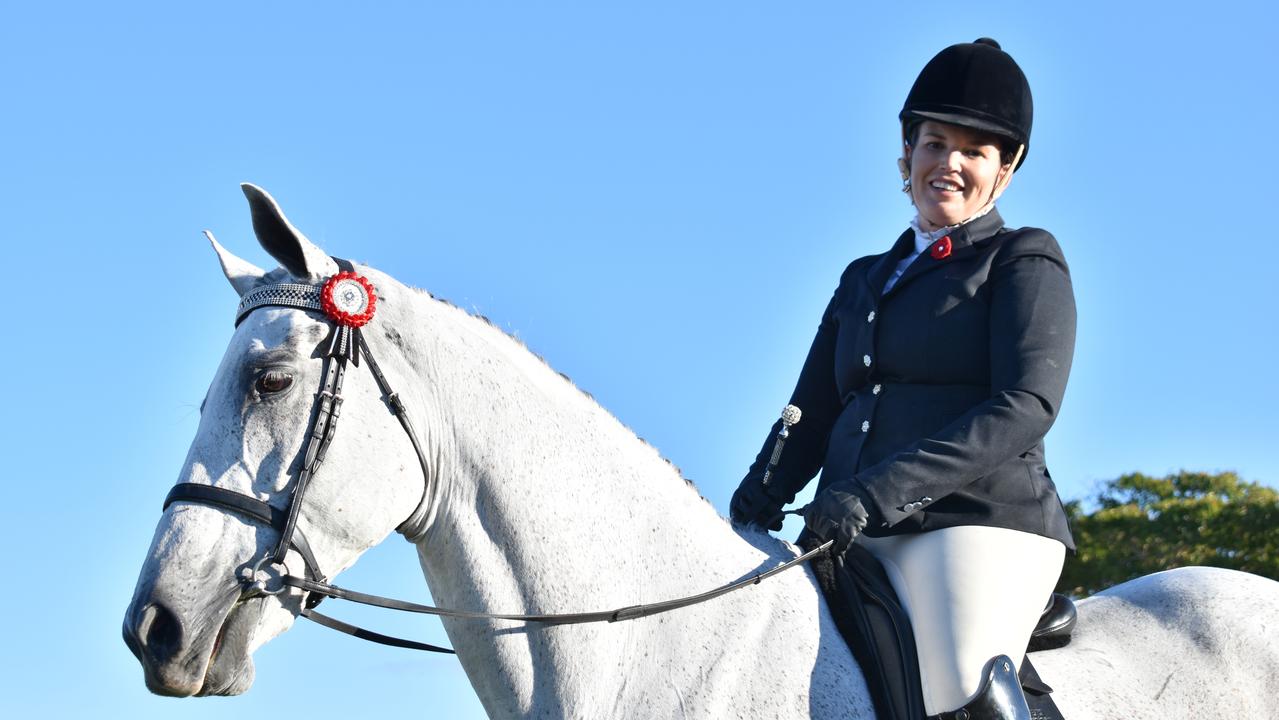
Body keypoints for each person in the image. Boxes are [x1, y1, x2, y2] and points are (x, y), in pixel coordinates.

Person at [730, 38, 1075, 720]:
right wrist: (760, 492)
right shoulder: (863, 277)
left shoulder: (1021, 260)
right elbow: (814, 407)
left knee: (957, 686)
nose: (949, 163)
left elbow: (1026, 405)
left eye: (974, 151)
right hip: (847, 527)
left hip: (976, 524)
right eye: (934, 143)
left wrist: (876, 493)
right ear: (905, 155)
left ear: (1003, 172)